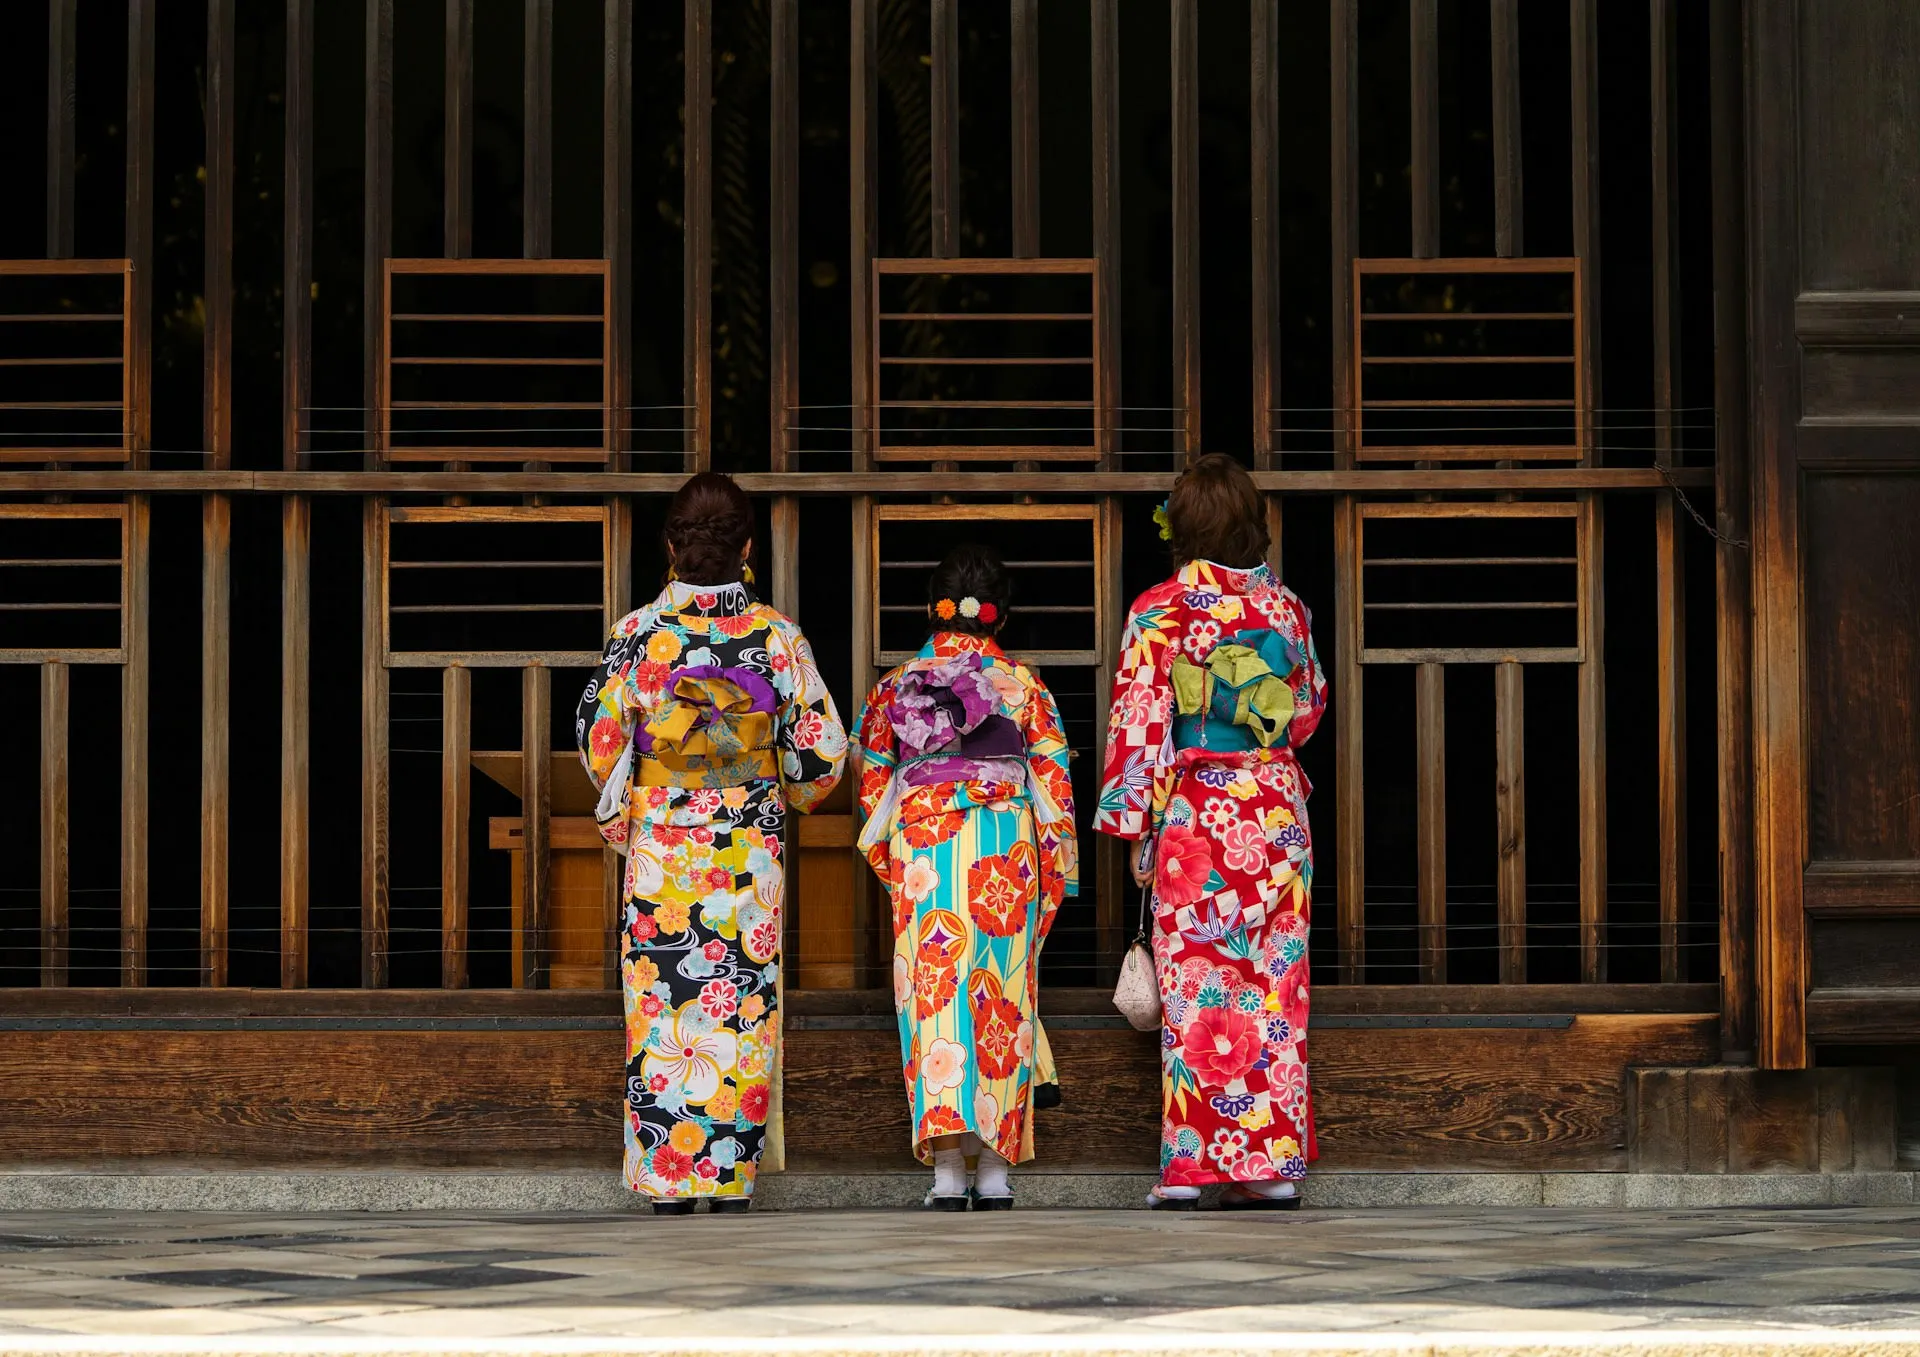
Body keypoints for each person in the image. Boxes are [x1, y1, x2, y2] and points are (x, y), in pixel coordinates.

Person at [578, 472, 847, 1214]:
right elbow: (821, 755)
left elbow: (601, 743)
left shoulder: (636, 636)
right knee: (739, 1008)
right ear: (748, 546)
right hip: (745, 849)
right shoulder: (776, 637)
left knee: (664, 1006)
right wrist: (782, 785)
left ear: (670, 544)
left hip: (664, 844)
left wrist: (634, 805)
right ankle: (728, 1177)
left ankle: (669, 1179)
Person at [1095, 454, 1326, 1210]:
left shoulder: (1160, 609)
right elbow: (1309, 710)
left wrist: (1134, 824)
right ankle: (1269, 1163)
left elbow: (1139, 722)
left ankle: (1196, 1164)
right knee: (1274, 986)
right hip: (1275, 809)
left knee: (1199, 985)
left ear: (1182, 527)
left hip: (1201, 815)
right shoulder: (1286, 609)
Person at [853, 545, 1078, 1210]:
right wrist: (1049, 868)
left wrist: (895, 861)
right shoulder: (1024, 686)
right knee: (1002, 996)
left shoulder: (896, 686)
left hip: (926, 847)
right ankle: (997, 1172)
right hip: (1004, 848)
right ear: (998, 616)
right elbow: (1056, 788)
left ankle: (947, 1172)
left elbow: (872, 784)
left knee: (935, 996)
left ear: (933, 609)